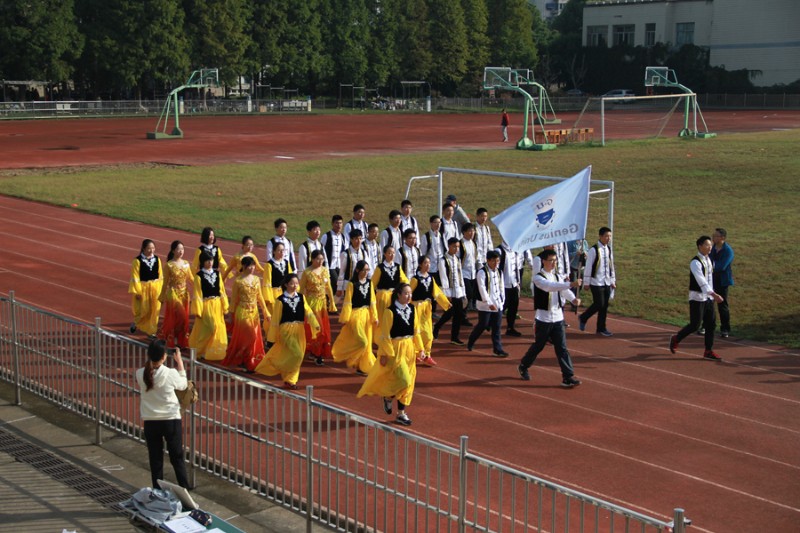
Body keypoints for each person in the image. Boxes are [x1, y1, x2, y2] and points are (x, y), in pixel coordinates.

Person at [357, 283, 425, 426]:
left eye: (410, 294)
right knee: (404, 379)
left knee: (409, 382)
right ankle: (388, 396)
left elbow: (416, 331)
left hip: (409, 348)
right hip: (395, 350)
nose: (409, 296)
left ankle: (401, 412)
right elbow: (385, 336)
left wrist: (421, 349)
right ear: (398, 294)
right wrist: (384, 354)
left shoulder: (413, 309)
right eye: (406, 293)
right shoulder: (390, 312)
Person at [517, 249, 583, 387]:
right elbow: (550, 287)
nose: (553, 263)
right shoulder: (538, 278)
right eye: (551, 260)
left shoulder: (557, 276)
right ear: (543, 262)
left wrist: (573, 299)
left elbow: (563, 290)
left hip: (558, 318)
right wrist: (571, 283)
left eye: (555, 260)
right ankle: (524, 365)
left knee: (562, 348)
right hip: (544, 319)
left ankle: (568, 376)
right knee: (538, 346)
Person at [135, 340, 189, 489]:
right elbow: (183, 385)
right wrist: (180, 364)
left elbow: (150, 374)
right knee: (176, 457)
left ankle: (157, 491)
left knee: (155, 458)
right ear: (165, 356)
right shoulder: (171, 373)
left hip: (150, 421)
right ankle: (185, 489)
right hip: (170, 420)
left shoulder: (140, 374)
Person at [255, 274, 321, 389]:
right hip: (286, 330)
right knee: (298, 354)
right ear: (286, 285)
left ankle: (290, 380)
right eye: (292, 283)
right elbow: (275, 320)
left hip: (299, 330)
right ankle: (277, 364)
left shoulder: (301, 297)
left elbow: (308, 311)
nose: (295, 286)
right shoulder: (280, 301)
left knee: (298, 354)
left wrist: (315, 324)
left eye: (296, 283)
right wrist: (271, 338)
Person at [669, 236, 724, 360]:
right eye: (707, 245)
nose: (710, 247)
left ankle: (708, 350)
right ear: (700, 246)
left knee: (711, 324)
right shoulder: (695, 262)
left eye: (710, 245)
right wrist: (714, 294)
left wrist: (712, 295)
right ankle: (676, 338)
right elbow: (701, 281)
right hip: (697, 298)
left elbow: (709, 279)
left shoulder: (709, 260)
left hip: (708, 298)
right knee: (695, 325)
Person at [222, 256, 270, 372]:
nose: (252, 268)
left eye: (253, 266)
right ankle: (248, 360)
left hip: (254, 313)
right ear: (243, 266)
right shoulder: (238, 282)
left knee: (251, 337)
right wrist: (230, 314)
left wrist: (266, 312)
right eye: (249, 266)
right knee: (251, 336)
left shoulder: (256, 280)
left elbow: (260, 297)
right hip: (242, 312)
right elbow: (233, 300)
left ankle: (246, 359)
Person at [332, 260, 379, 375]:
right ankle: (351, 357)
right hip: (356, 315)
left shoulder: (369, 283)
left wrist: (375, 316)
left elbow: (372, 301)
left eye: (367, 270)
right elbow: (347, 301)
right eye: (364, 270)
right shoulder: (352, 284)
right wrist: (345, 318)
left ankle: (361, 366)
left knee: (367, 343)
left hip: (367, 315)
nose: (366, 272)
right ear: (357, 270)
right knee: (361, 341)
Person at [410, 256, 451, 366]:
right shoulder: (415, 279)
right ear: (420, 265)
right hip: (416, 307)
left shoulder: (430, 278)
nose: (428, 265)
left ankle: (427, 354)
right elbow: (408, 294)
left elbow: (437, 293)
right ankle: (416, 353)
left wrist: (446, 303)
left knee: (428, 333)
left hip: (426, 308)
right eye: (425, 263)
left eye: (429, 263)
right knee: (416, 331)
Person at [189, 252, 229, 360]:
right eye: (207, 260)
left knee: (218, 327)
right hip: (206, 304)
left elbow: (221, 290)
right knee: (211, 328)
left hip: (217, 304)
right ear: (202, 262)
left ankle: (210, 350)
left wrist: (225, 305)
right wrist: (198, 310)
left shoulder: (217, 274)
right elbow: (197, 293)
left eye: (211, 260)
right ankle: (198, 350)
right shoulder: (199, 276)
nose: (210, 263)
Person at [467, 250, 508, 357]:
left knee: (497, 327)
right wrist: (488, 302)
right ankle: (471, 340)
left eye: (497, 261)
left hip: (497, 304)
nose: (496, 263)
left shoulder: (499, 272)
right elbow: (482, 288)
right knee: (483, 325)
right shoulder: (482, 272)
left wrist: (502, 301)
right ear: (488, 261)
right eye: (493, 261)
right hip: (485, 305)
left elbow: (501, 287)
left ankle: (498, 349)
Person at [300, 250, 336, 366]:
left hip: (323, 304)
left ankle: (317, 351)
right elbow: (301, 290)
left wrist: (332, 302)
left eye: (322, 259)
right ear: (312, 259)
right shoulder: (307, 273)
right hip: (312, 304)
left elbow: (328, 286)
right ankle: (317, 353)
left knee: (323, 328)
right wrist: (302, 304)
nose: (320, 261)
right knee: (317, 328)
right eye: (317, 259)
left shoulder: (325, 270)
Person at [579, 227, 616, 337]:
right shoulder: (593, 250)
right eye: (606, 236)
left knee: (604, 306)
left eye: (610, 236)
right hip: (596, 282)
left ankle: (601, 328)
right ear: (600, 236)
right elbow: (588, 266)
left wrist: (613, 280)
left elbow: (611, 266)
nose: (608, 238)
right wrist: (586, 282)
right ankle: (583, 317)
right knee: (599, 303)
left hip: (606, 282)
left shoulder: (608, 249)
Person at [159, 240, 192, 349]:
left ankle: (182, 342)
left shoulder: (186, 263)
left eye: (182, 249)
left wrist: (201, 285)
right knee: (179, 317)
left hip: (184, 294)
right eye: (178, 249)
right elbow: (165, 283)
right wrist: (162, 296)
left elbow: (191, 278)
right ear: (173, 251)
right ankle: (169, 339)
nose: (181, 251)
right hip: (173, 294)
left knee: (183, 319)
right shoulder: (169, 265)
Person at [434, 238, 466, 345]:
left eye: (457, 247)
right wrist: (447, 294)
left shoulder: (457, 259)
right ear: (449, 246)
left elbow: (460, 276)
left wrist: (463, 292)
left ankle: (454, 337)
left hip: (458, 291)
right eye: (454, 246)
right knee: (449, 313)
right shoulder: (443, 260)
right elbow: (444, 277)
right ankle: (437, 326)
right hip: (449, 292)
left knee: (458, 314)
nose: (456, 249)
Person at [129, 239, 163, 337]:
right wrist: (138, 292)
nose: (151, 250)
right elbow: (135, 277)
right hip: (143, 289)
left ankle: (151, 330)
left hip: (155, 289)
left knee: (154, 310)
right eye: (149, 248)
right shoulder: (137, 261)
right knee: (143, 310)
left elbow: (160, 276)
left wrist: (161, 291)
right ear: (143, 249)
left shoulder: (157, 259)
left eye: (153, 248)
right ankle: (136, 323)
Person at [371, 245, 410, 325]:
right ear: (384, 254)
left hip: (395, 296)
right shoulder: (380, 268)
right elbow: (372, 284)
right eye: (389, 253)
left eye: (393, 253)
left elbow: (404, 280)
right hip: (383, 297)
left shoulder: (397, 266)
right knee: (383, 319)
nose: (392, 255)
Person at [710, 228, 734, 337]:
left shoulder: (728, 250)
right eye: (713, 235)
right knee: (708, 304)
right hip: (711, 279)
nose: (713, 238)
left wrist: (710, 266)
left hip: (722, 281)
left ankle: (725, 329)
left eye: (716, 236)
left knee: (722, 305)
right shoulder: (712, 248)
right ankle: (707, 326)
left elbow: (722, 266)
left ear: (722, 238)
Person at [498, 241, 523, 337]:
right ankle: (490, 322)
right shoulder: (499, 251)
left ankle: (510, 328)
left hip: (514, 283)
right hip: (503, 284)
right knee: (502, 306)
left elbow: (518, 266)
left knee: (513, 307)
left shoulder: (515, 250)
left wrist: (518, 281)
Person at [321, 215, 346, 294]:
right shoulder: (326, 236)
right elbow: (321, 251)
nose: (338, 225)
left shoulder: (343, 237)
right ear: (332, 224)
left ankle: (332, 302)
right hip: (329, 266)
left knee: (340, 286)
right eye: (336, 223)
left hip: (339, 266)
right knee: (335, 284)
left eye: (340, 223)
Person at [262, 241, 293, 306]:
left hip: (286, 293)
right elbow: (267, 281)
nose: (281, 252)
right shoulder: (269, 265)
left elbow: (291, 278)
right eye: (279, 250)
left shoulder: (287, 263)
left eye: (283, 250)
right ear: (274, 251)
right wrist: (269, 297)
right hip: (274, 294)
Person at [338, 229, 366, 294]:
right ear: (351, 239)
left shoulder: (364, 253)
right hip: (348, 285)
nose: (358, 241)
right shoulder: (345, 254)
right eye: (356, 239)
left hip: (361, 284)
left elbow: (367, 269)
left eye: (360, 238)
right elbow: (342, 271)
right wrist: (339, 288)